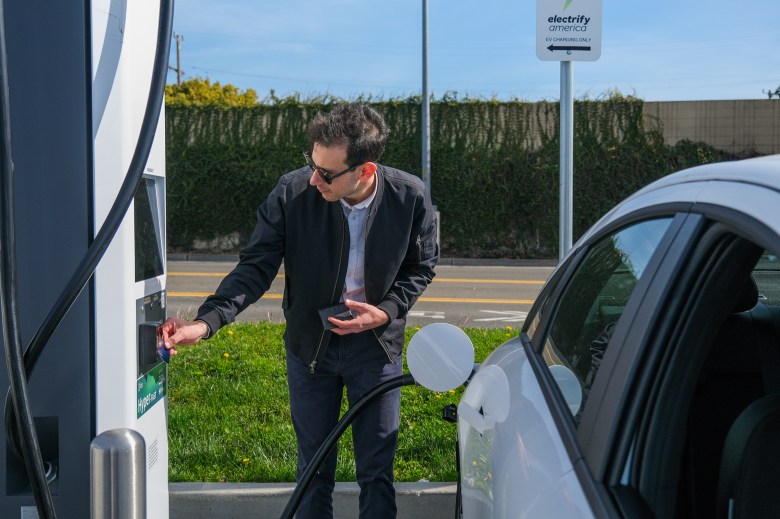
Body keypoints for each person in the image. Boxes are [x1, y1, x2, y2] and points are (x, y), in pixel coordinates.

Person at [159, 102, 439, 519]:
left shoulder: (409, 196)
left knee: (377, 472)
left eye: (326, 174)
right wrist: (205, 323)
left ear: (365, 171)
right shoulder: (292, 193)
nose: (313, 178)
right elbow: (255, 267)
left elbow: (422, 266)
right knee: (313, 469)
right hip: (311, 351)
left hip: (377, 350)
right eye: (312, 165)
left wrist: (386, 311)